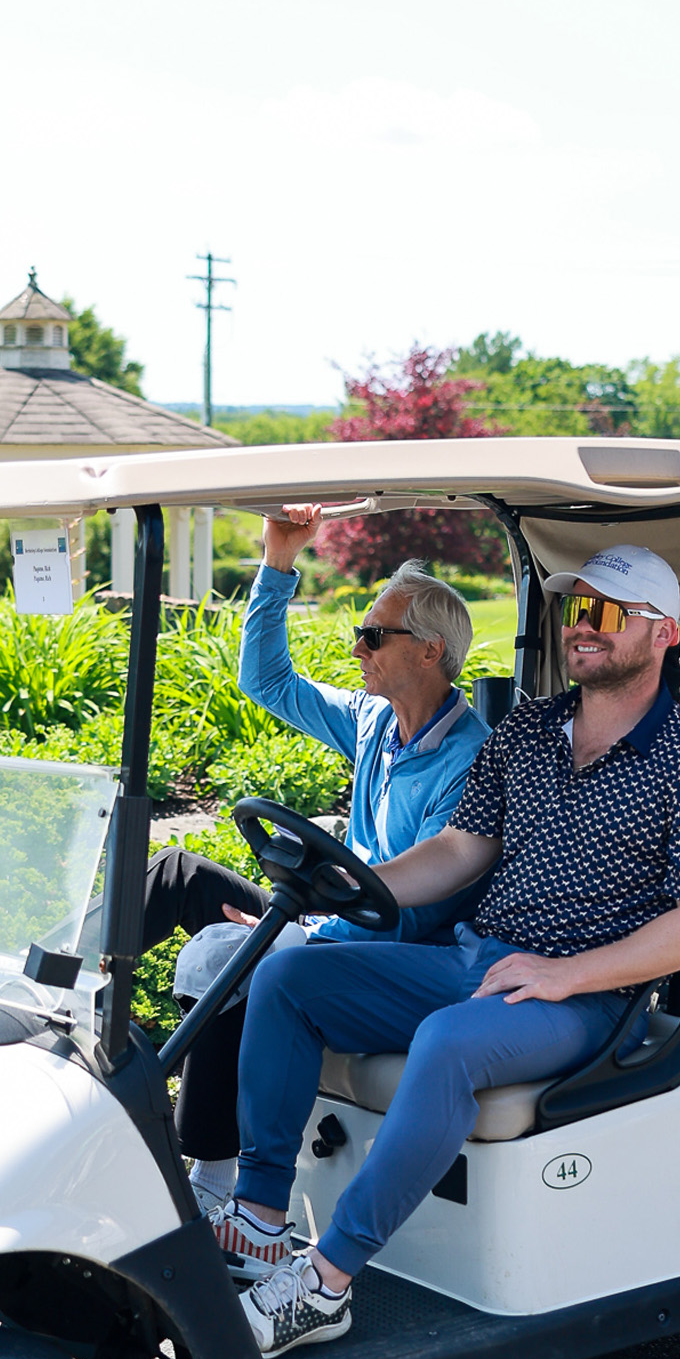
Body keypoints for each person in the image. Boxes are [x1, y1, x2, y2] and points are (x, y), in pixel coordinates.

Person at [205, 543, 680, 1357]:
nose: (581, 629)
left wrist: (568, 974)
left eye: (604, 613)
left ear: (664, 634)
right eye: (575, 610)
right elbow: (461, 848)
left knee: (450, 1040)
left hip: (589, 996)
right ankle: (259, 1220)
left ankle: (325, 1283)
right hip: (482, 959)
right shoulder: (528, 730)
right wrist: (347, 882)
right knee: (288, 975)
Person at [169, 510, 490, 1218]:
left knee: (251, 956)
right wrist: (278, 561)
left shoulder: (469, 759)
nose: (356, 649)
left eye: (373, 636)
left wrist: (303, 914)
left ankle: (223, 1184)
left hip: (393, 950)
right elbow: (269, 682)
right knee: (176, 874)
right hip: (335, 917)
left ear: (431, 651)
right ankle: (67, 1021)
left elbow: (424, 903)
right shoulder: (374, 722)